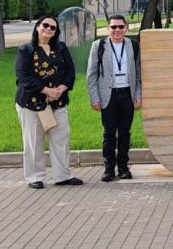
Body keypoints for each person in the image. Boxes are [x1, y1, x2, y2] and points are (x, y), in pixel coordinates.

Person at [14, 16, 83, 189]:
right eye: (45, 25)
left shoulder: (61, 48)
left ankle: (62, 175)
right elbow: (23, 77)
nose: (49, 29)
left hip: (57, 103)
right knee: (33, 141)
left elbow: (70, 71)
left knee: (61, 139)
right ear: (37, 27)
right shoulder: (26, 50)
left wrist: (61, 88)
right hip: (31, 104)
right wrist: (46, 91)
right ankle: (34, 177)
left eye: (53, 27)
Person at [87, 15, 142, 182]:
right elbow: (92, 74)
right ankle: (109, 168)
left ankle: (123, 167)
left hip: (127, 93)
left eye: (120, 27)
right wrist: (94, 97)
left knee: (125, 133)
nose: (117, 30)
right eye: (113, 27)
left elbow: (139, 73)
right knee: (109, 133)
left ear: (126, 28)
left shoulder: (133, 45)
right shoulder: (99, 46)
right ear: (108, 29)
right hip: (107, 95)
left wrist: (138, 94)